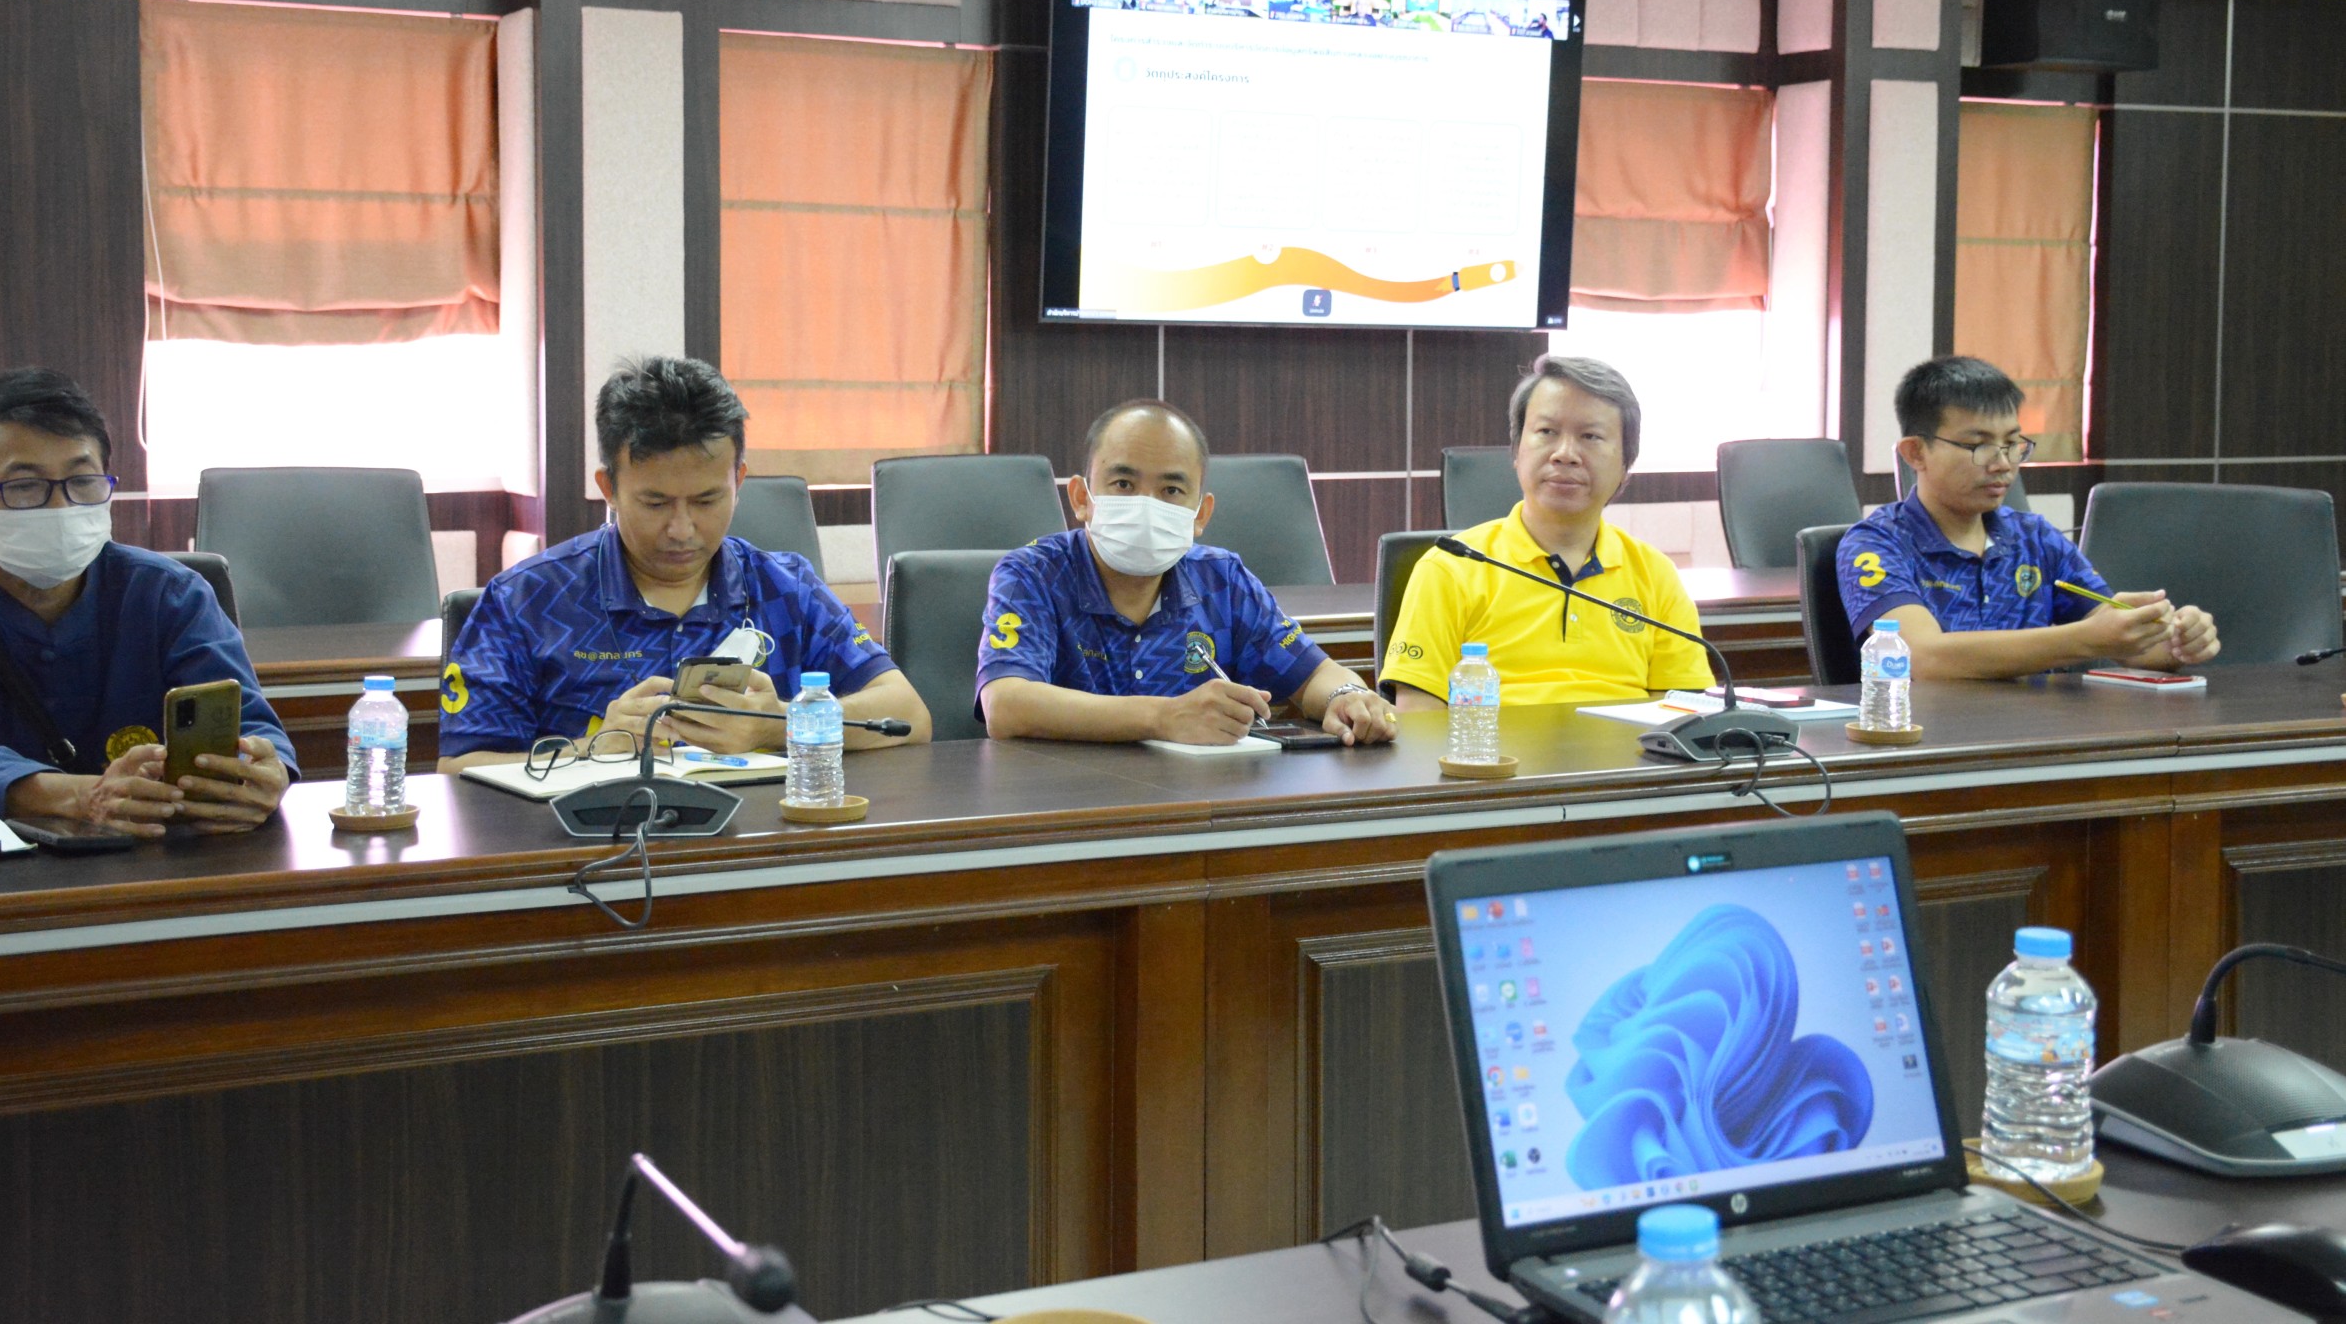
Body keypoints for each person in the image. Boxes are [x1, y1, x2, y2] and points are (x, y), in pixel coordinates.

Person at [0, 369, 293, 830]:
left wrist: (263, 770)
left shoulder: (171, 595)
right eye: (24, 486)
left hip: (152, 857)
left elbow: (249, 726)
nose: (61, 507)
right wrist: (82, 795)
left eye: (82, 482)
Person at [439, 357, 930, 768]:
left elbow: (908, 716)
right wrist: (593, 750)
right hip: (593, 847)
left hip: (758, 840)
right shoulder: (526, 600)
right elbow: (458, 768)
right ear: (609, 488)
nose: (681, 529)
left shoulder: (785, 588)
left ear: (738, 481)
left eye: (706, 500)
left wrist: (778, 724)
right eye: (655, 503)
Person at [976, 400, 1395, 747]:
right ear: (1081, 498)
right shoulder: (1033, 574)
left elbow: (1314, 672)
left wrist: (1347, 696)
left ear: (1201, 514)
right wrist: (1163, 717)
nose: (1147, 504)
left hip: (1197, 800)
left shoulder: (1221, 580)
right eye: (1123, 484)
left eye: (1171, 491)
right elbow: (1005, 705)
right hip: (1071, 800)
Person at [1838, 356, 2218, 679]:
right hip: (1933, 734)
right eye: (1978, 445)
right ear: (1915, 453)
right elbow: (1918, 658)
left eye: (2011, 444)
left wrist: (2175, 640)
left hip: (2037, 731)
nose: (2003, 464)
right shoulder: (1876, 543)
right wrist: (2086, 639)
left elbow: (2121, 639)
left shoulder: (2034, 537)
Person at [1383, 356, 1712, 708]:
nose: (1565, 454)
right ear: (1517, 450)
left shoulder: (1655, 575)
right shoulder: (1451, 568)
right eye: (1547, 432)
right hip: (1496, 744)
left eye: (1590, 436)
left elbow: (1680, 713)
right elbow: (1418, 715)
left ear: (1625, 464)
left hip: (1626, 746)